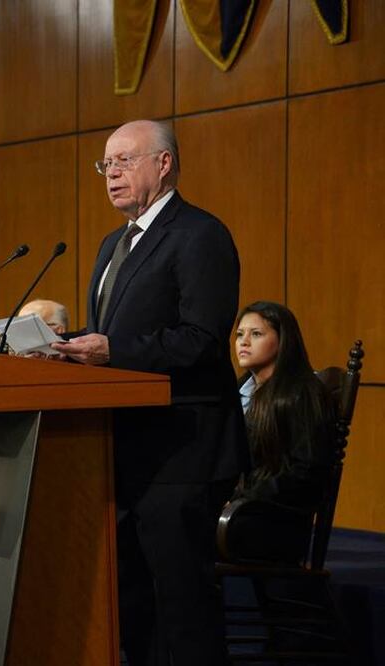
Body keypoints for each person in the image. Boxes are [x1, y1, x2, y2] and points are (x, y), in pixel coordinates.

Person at [51, 119, 246, 666]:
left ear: (163, 164)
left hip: (183, 446)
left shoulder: (200, 234)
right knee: (132, 599)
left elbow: (201, 340)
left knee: (181, 602)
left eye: (123, 161)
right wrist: (59, 349)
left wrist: (110, 350)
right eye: (104, 164)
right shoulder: (114, 243)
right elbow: (111, 333)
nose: (110, 173)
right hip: (125, 447)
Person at [224, 301, 336, 563]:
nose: (244, 342)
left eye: (257, 334)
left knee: (182, 532)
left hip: (273, 519)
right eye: (240, 334)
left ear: (283, 340)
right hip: (241, 509)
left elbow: (305, 471)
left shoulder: (300, 393)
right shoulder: (239, 390)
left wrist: (243, 499)